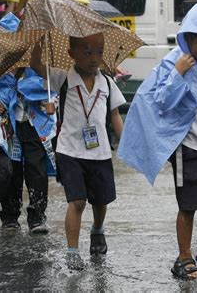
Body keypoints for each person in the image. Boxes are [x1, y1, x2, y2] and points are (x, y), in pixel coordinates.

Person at [118, 2, 197, 278]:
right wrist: (178, 73)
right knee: (189, 205)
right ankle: (183, 258)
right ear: (188, 39)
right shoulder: (177, 60)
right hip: (191, 147)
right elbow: (161, 101)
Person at [30, 32, 126, 270]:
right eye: (87, 52)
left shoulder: (107, 83)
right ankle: (72, 251)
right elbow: (35, 66)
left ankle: (97, 229)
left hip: (100, 152)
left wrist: (125, 144)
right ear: (71, 53)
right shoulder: (62, 78)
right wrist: (38, 44)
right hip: (69, 150)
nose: (94, 58)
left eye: (99, 52)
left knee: (100, 201)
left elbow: (114, 115)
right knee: (77, 201)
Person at [0, 6, 56, 234]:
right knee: (9, 170)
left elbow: (47, 83)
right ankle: (10, 216)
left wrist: (25, 87)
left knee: (36, 170)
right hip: (6, 124)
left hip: (32, 122)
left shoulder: (35, 58)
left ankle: (37, 216)